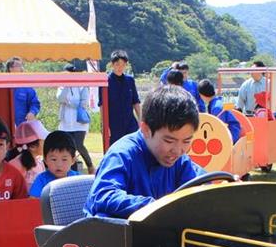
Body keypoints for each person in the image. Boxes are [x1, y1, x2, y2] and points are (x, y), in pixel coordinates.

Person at [84, 85, 204, 219]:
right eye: (169, 141)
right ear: (146, 130)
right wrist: (158, 207)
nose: (177, 150)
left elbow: (203, 186)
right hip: (115, 236)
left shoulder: (180, 161)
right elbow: (103, 195)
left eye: (186, 141)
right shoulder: (122, 154)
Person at [57, 65, 95, 173]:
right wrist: (66, 86)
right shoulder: (62, 86)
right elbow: (60, 98)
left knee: (78, 144)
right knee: (67, 146)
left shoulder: (82, 85)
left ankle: (90, 165)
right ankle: (71, 169)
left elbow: (83, 102)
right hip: (66, 122)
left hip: (79, 121)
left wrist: (69, 103)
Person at [102, 50, 141, 147]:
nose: (120, 67)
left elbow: (136, 102)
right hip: (113, 123)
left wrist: (141, 120)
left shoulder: (130, 80)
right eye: (117, 64)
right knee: (115, 148)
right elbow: (102, 105)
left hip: (130, 122)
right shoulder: (105, 81)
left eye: (123, 64)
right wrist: (105, 126)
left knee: (133, 147)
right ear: (112, 64)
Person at [29, 130, 80, 197]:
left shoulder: (78, 179)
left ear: (73, 160)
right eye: (54, 159)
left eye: (64, 159)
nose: (59, 164)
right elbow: (33, 200)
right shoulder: (41, 180)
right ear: (45, 160)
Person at [7, 120, 47, 188]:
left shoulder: (40, 163)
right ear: (32, 146)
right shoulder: (14, 166)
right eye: (44, 140)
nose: (47, 144)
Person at [7, 57, 41, 126]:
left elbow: (35, 103)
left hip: (22, 126)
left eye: (21, 65)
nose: (21, 68)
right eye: (18, 66)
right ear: (10, 68)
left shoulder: (26, 87)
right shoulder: (1, 85)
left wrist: (32, 112)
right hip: (5, 127)